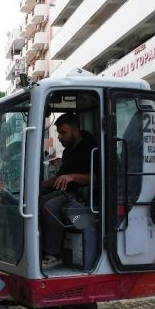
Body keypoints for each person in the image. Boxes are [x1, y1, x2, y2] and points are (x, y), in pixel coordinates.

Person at [40, 112, 96, 269]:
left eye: (63, 133)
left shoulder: (92, 148)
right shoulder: (68, 151)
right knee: (36, 203)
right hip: (66, 192)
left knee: (49, 207)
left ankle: (54, 255)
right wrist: (41, 185)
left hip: (83, 194)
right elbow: (60, 177)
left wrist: (72, 177)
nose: (59, 137)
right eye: (58, 133)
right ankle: (41, 249)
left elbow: (98, 177)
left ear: (76, 130)